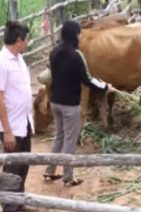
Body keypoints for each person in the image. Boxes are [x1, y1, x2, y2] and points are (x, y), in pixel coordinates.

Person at [43, 20, 114, 186]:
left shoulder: (54, 53)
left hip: (56, 102)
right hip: (70, 104)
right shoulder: (76, 55)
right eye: (79, 33)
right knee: (69, 139)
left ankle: (49, 170)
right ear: (75, 34)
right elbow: (87, 80)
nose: (80, 35)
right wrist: (105, 87)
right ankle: (68, 176)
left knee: (59, 136)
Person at [0, 20, 34, 212]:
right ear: (18, 41)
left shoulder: (19, 59)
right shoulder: (1, 63)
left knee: (23, 165)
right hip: (11, 127)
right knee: (11, 168)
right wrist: (7, 130)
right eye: (25, 40)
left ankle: (19, 202)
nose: (27, 43)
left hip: (24, 122)